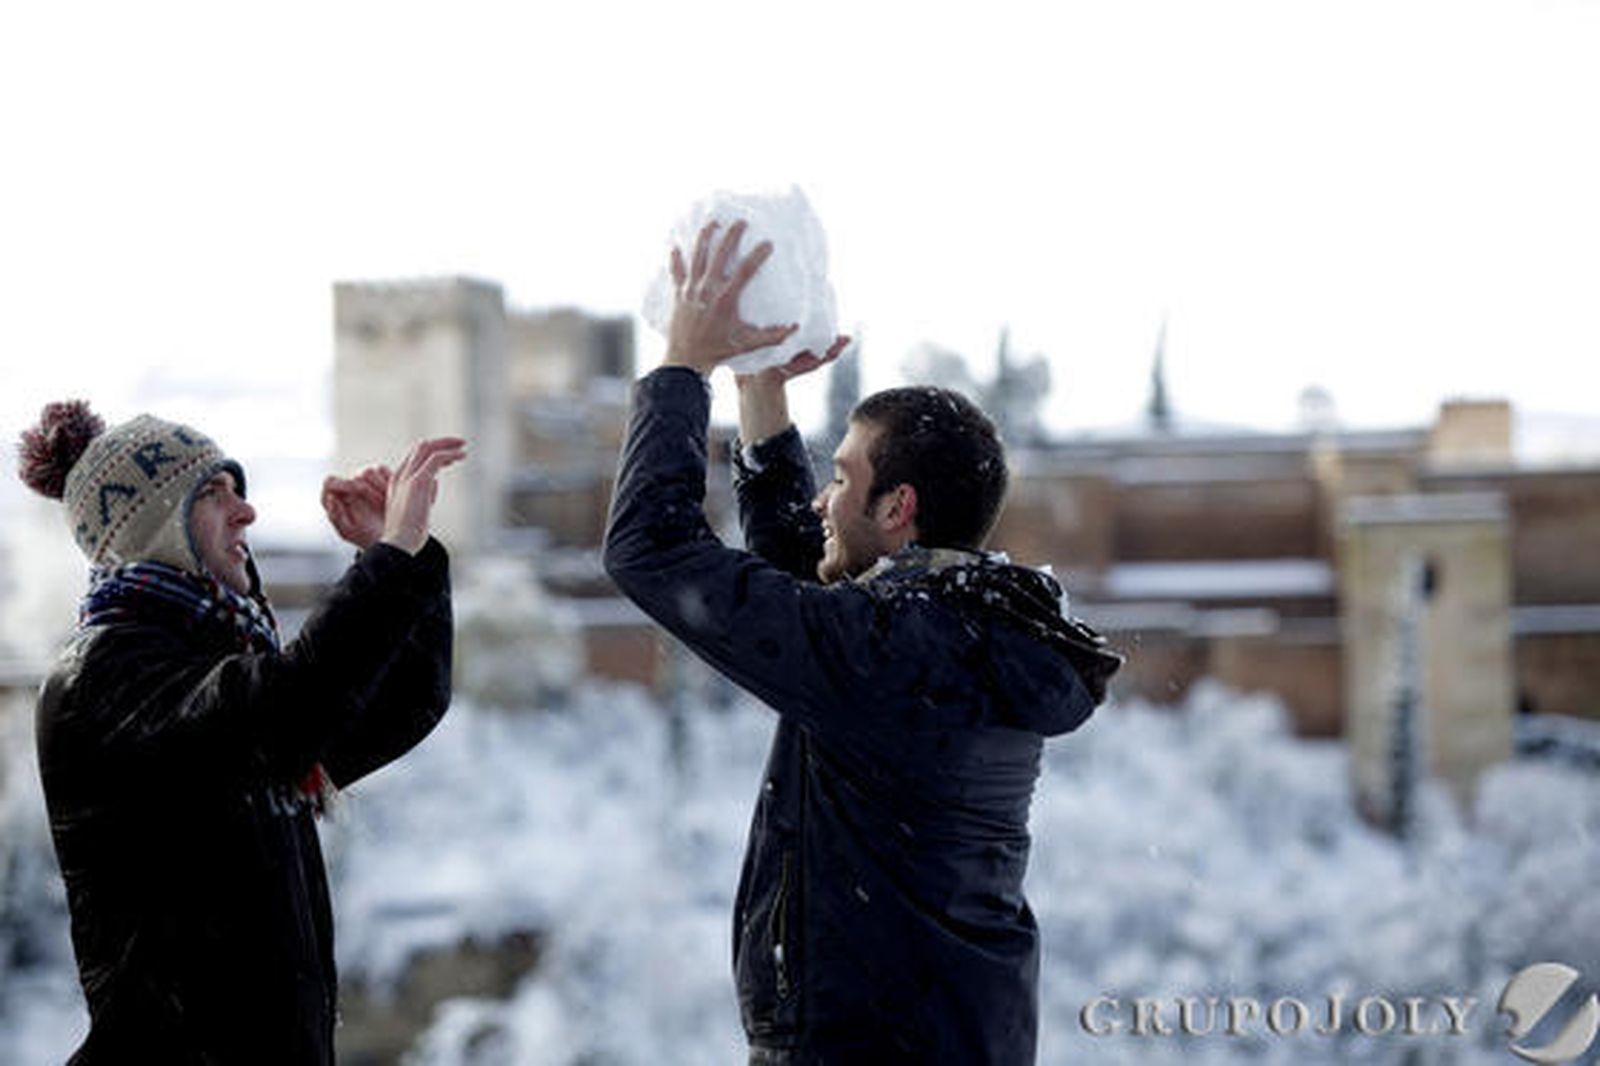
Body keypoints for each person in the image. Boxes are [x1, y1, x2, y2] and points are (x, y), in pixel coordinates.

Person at [604, 221, 1123, 1064]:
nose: (820, 498)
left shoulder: (893, 652)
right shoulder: (964, 630)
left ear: (898, 510)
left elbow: (651, 552)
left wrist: (681, 368)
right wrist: (761, 396)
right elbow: (807, 591)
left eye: (840, 477)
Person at [17, 399, 466, 1065]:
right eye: (213, 494)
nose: (246, 512)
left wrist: (407, 558)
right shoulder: (103, 676)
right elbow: (287, 713)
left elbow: (402, 704)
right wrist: (392, 560)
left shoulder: (218, 665)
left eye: (239, 490)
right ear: (155, 529)